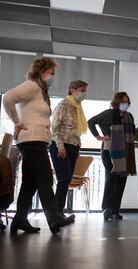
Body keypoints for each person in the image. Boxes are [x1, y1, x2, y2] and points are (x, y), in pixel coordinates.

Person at [2, 57, 75, 234]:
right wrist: (16, 121)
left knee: (30, 183)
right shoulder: (32, 85)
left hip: (36, 140)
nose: (53, 77)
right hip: (31, 139)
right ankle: (54, 217)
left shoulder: (41, 91)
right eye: (51, 73)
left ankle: (20, 219)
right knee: (45, 178)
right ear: (42, 72)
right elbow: (8, 98)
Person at [88, 92, 137, 221]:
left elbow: (133, 133)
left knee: (121, 180)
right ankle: (107, 209)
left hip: (125, 152)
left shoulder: (129, 116)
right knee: (111, 178)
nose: (125, 104)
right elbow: (91, 122)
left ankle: (116, 210)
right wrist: (99, 137)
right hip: (109, 151)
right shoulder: (109, 113)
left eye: (127, 102)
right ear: (116, 102)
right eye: (123, 102)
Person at [50, 80, 88, 214]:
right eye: (81, 90)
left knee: (66, 179)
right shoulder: (63, 105)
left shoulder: (77, 106)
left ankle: (58, 211)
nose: (84, 93)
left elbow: (75, 129)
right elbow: (55, 127)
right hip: (60, 146)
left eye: (85, 91)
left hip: (73, 146)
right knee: (64, 178)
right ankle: (56, 212)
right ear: (72, 90)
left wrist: (78, 145)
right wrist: (60, 146)